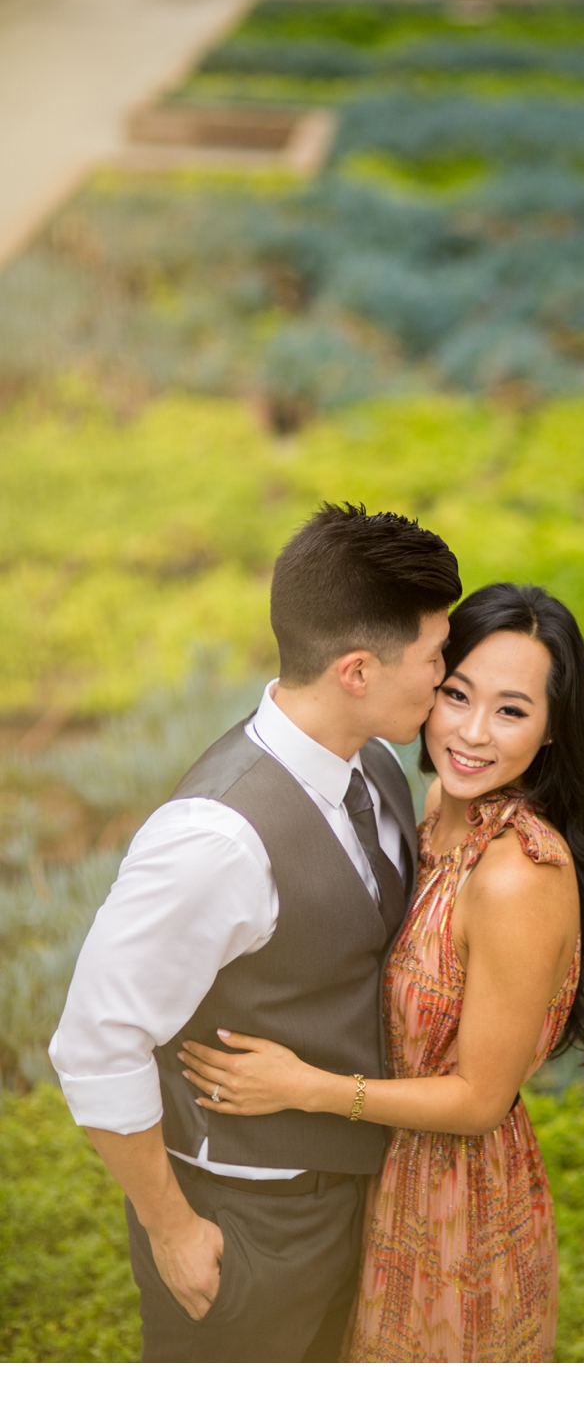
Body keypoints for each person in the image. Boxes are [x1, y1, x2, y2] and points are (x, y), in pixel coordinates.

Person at [49, 503, 462, 1363]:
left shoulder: (374, 764)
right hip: (249, 1228)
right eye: (434, 657)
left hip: (361, 1201)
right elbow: (96, 1043)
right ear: (357, 670)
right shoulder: (216, 839)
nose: (444, 676)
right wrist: (172, 1231)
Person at [178, 582, 584, 1362]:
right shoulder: (432, 803)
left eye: (512, 710)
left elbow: (482, 1100)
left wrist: (301, 1087)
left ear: (553, 730)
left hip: (454, 1202)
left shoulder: (517, 874)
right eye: (456, 694)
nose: (472, 734)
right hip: (373, 1173)